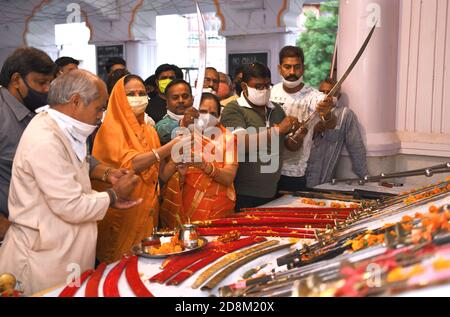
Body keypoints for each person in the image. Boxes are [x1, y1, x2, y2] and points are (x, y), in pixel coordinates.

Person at [0, 69, 141, 295]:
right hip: (41, 261)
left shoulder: (65, 129)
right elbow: (70, 205)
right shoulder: (45, 138)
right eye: (99, 108)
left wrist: (107, 176)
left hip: (65, 255)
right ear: (76, 101)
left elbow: (76, 175)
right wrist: (113, 195)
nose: (101, 115)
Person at [0, 48, 133, 241]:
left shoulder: (41, 114)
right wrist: (3, 226)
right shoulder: (13, 121)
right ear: (16, 80)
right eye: (41, 83)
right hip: (16, 229)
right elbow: (70, 204)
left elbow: (69, 156)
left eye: (49, 82)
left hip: (50, 225)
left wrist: (107, 173)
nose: (47, 90)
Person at [92, 74, 181, 264]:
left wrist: (177, 159)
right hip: (121, 215)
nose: (138, 97)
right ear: (118, 97)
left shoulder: (149, 130)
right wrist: (167, 148)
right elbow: (130, 165)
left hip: (148, 215)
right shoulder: (110, 129)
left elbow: (159, 176)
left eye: (142, 93)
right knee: (118, 274)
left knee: (145, 269)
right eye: (131, 93)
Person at [220, 62, 299, 211]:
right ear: (244, 87)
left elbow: (289, 145)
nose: (264, 90)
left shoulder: (276, 109)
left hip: (272, 190)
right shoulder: (234, 109)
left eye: (267, 86)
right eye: (258, 86)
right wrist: (277, 130)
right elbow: (239, 144)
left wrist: (300, 134)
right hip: (243, 193)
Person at [160, 93, 237, 227]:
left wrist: (203, 165)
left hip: (218, 209)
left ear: (219, 116)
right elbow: (165, 176)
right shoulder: (183, 135)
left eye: (213, 113)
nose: (207, 116)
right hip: (185, 206)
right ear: (194, 112)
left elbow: (228, 177)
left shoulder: (227, 138)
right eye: (202, 111)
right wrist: (180, 175)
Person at [270, 46, 335, 193]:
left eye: (296, 67)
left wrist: (328, 112)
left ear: (303, 68)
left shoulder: (313, 96)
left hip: (294, 172)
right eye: (287, 67)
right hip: (268, 169)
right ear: (280, 68)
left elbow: (331, 123)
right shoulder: (271, 93)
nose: (292, 72)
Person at [306, 78, 369, 187]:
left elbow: (356, 147)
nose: (326, 96)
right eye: (322, 92)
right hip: (301, 175)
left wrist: (365, 177)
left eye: (331, 93)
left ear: (337, 97)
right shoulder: (309, 111)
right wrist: (312, 131)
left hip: (323, 180)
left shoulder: (345, 115)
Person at [155, 79, 196, 145]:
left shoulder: (199, 119)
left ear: (192, 98)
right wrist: (182, 123)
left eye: (185, 97)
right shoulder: (162, 125)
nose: (181, 101)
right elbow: (161, 131)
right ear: (167, 102)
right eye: (175, 98)